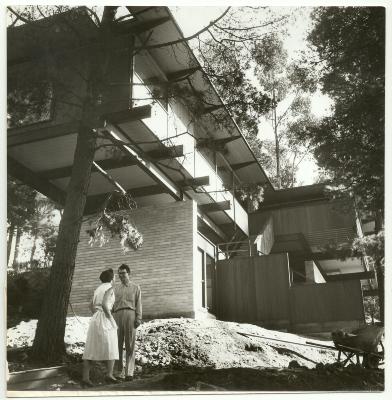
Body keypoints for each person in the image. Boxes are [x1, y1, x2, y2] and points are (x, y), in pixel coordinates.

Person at [82, 268, 119, 387]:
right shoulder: (110, 288)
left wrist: (96, 315)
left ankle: (85, 377)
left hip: (96, 318)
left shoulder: (98, 288)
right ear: (112, 278)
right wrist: (110, 319)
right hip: (104, 317)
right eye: (114, 276)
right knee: (111, 344)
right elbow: (104, 305)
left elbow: (90, 305)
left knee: (92, 346)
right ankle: (109, 374)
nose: (115, 278)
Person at [113, 264, 142, 380]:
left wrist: (138, 318)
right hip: (118, 315)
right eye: (119, 273)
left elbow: (138, 304)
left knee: (130, 344)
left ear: (128, 273)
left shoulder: (136, 287)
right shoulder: (115, 289)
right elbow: (112, 305)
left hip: (131, 314)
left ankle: (129, 372)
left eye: (123, 273)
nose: (121, 275)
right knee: (117, 344)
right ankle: (118, 372)